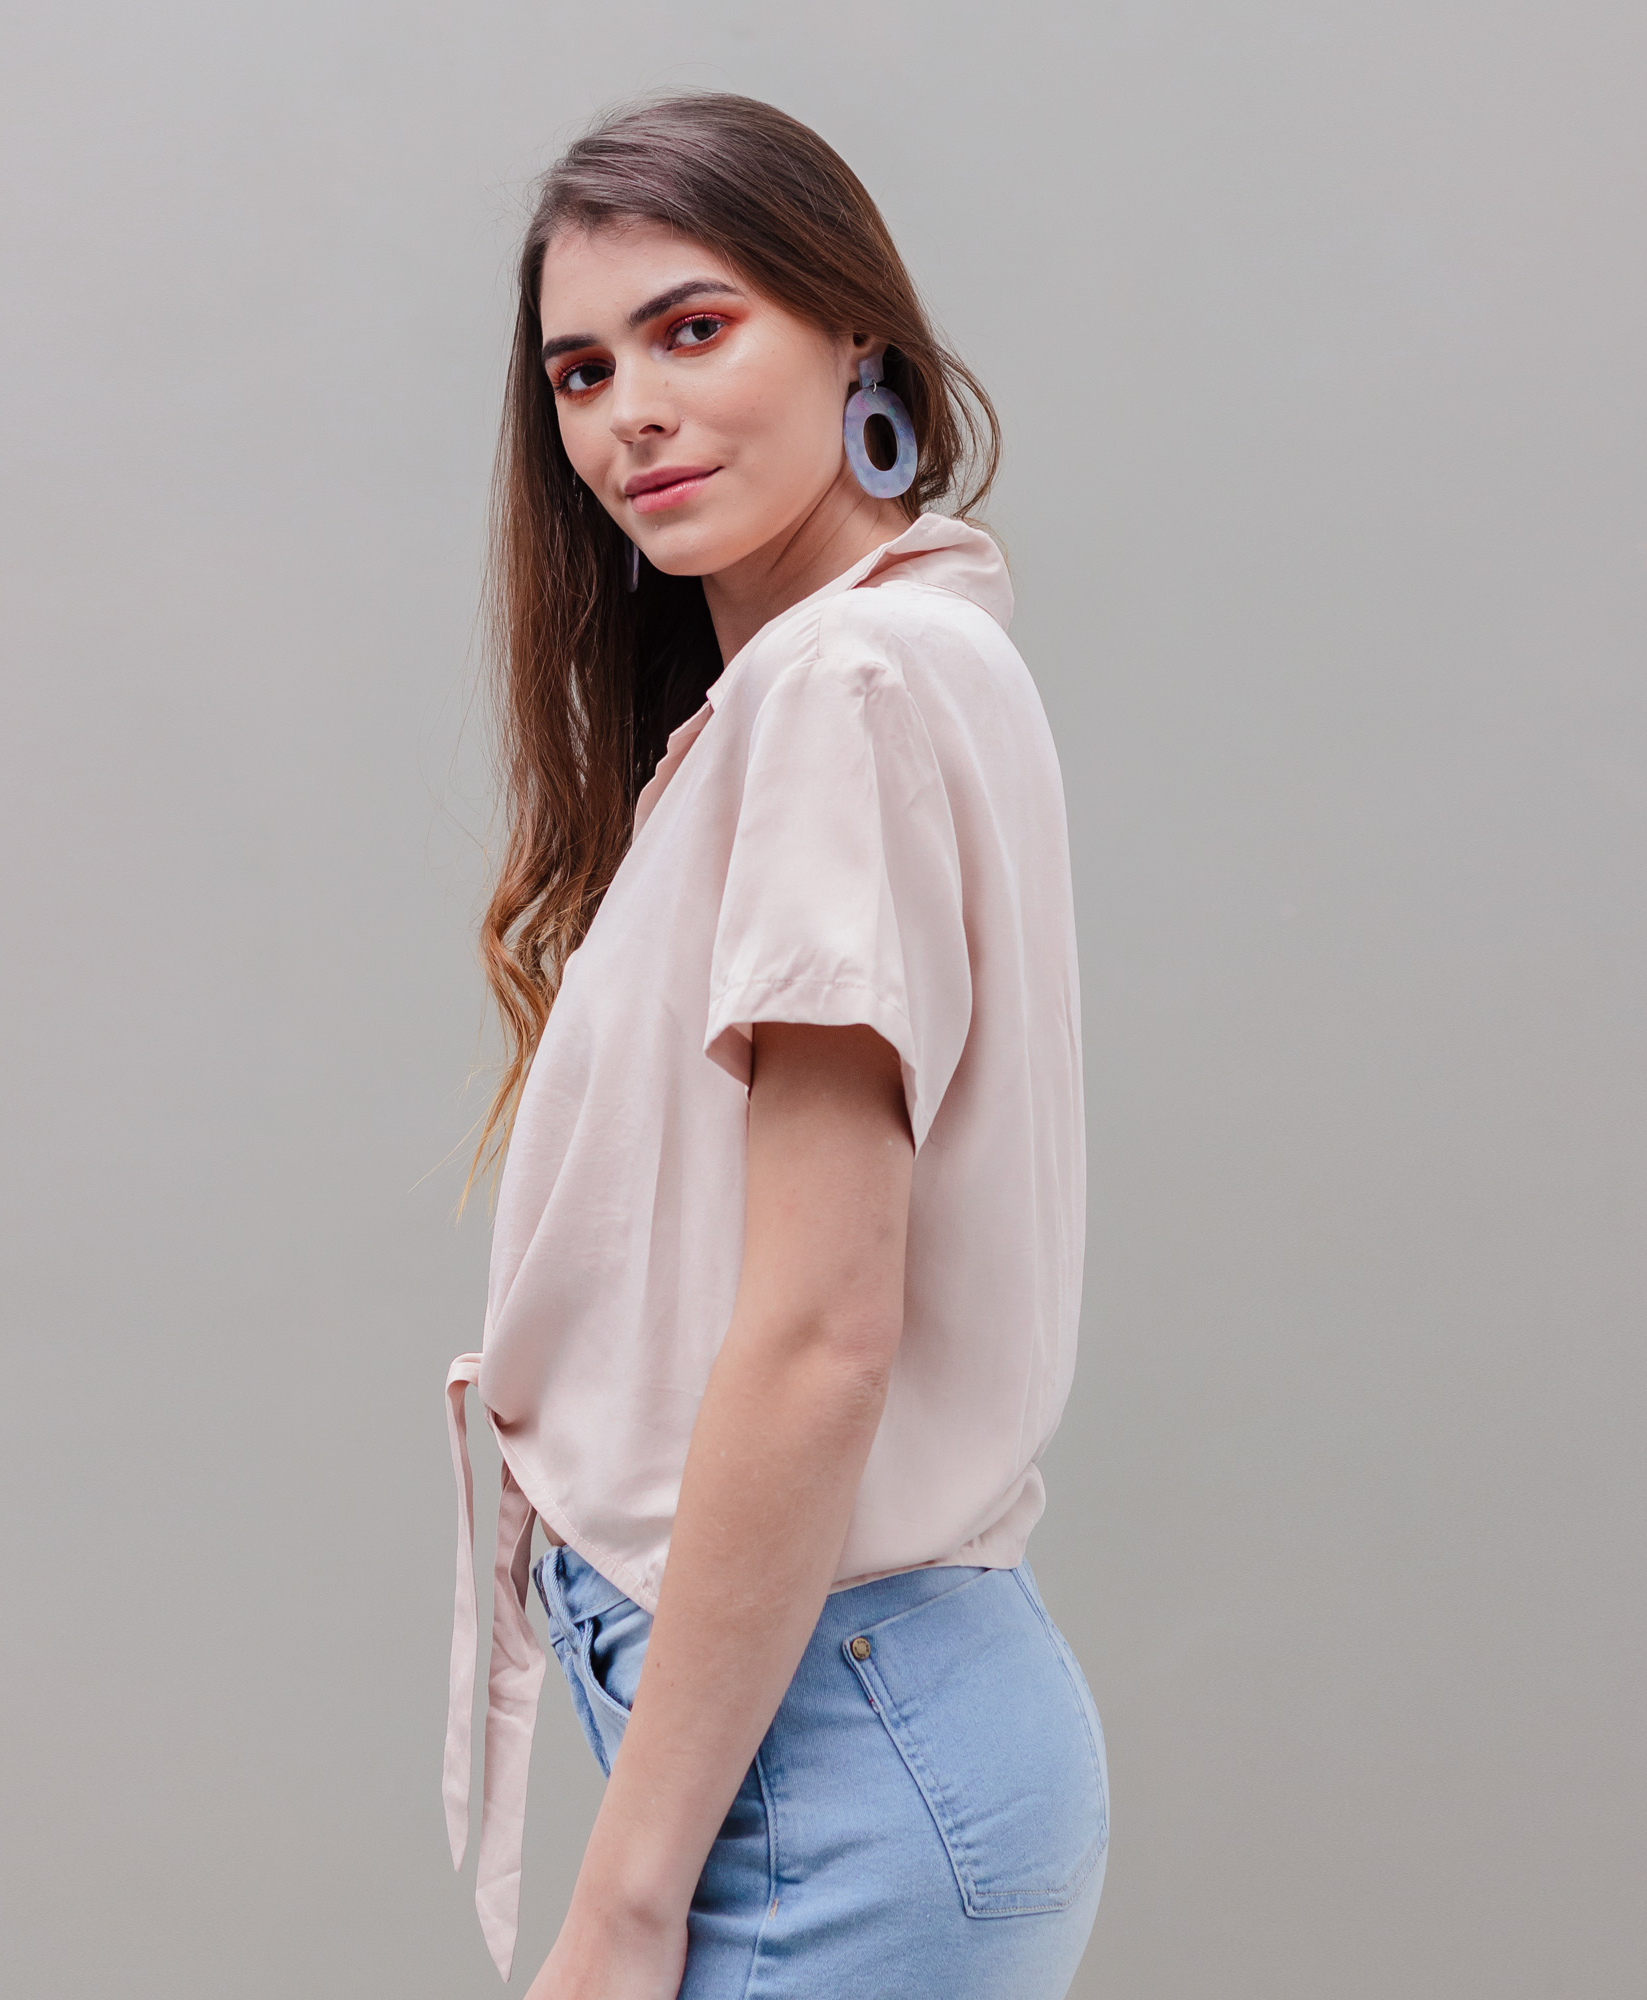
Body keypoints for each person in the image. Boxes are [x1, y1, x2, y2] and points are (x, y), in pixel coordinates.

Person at [444, 93, 1106, 2000]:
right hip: (866, 1730)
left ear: (854, 338)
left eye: (694, 329)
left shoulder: (845, 684)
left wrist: (623, 1901)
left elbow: (823, 1329)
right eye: (582, 372)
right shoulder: (905, 654)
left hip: (829, 1760)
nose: (629, 415)